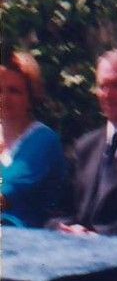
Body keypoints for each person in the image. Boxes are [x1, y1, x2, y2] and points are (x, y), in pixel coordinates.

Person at [52, 47, 117, 234]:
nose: (108, 95)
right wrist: (67, 229)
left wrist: (98, 237)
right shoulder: (85, 146)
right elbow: (58, 213)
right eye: (102, 86)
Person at [0, 50, 68, 228]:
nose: (5, 97)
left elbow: (8, 194)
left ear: (30, 98)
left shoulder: (43, 141)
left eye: (14, 91)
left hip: (24, 238)